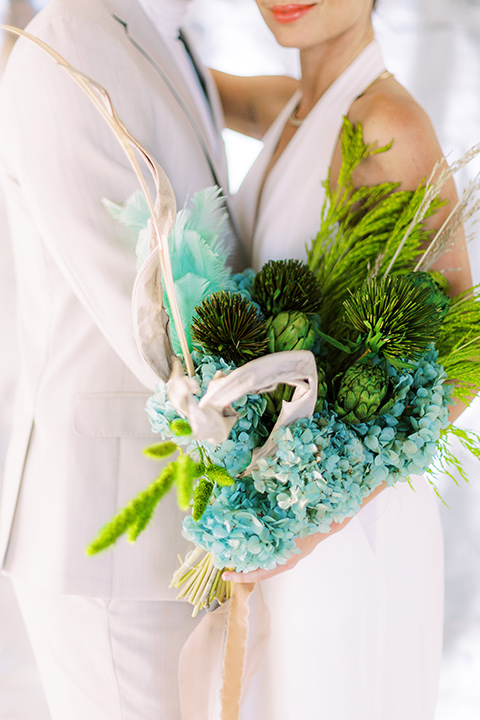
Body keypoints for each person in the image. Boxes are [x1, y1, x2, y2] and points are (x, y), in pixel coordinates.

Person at [213, 0, 473, 718]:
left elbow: (464, 355)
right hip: (287, 508)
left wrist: (315, 512)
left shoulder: (384, 123)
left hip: (344, 522)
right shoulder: (296, 104)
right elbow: (189, 84)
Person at [0, 1, 241, 718]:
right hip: (111, 536)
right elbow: (152, 324)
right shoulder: (68, 43)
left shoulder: (158, 27)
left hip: (169, 520)